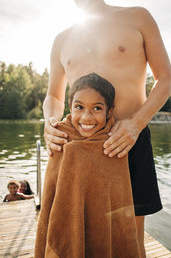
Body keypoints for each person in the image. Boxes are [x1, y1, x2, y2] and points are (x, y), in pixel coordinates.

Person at [43, 0, 171, 257]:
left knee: (129, 242)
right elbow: (53, 95)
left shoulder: (138, 18)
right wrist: (50, 122)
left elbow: (166, 79)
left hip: (128, 141)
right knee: (76, 241)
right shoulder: (60, 40)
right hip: (78, 148)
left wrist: (136, 124)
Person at [35, 73, 141, 258]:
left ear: (109, 111)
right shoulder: (60, 137)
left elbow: (118, 198)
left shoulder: (114, 142)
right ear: (70, 107)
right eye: (79, 107)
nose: (86, 116)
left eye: (97, 108)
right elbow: (52, 192)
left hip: (102, 227)